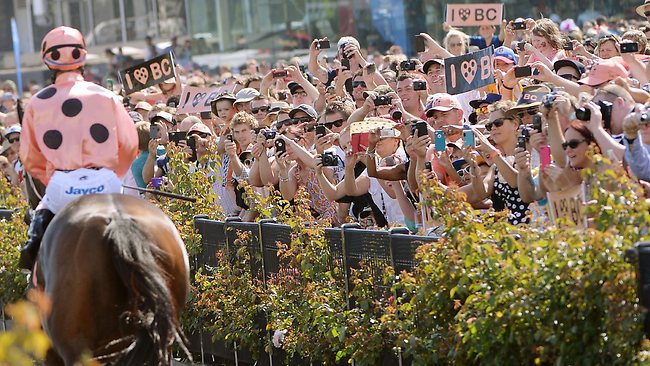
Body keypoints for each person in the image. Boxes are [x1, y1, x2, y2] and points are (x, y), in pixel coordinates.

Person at [18, 26, 138, 270]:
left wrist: (54, 179)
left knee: (37, 233)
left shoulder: (36, 102)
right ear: (82, 55)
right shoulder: (107, 96)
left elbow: (30, 158)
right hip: (106, 183)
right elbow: (129, 144)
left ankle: (31, 264)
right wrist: (113, 176)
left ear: (48, 60)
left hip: (62, 187)